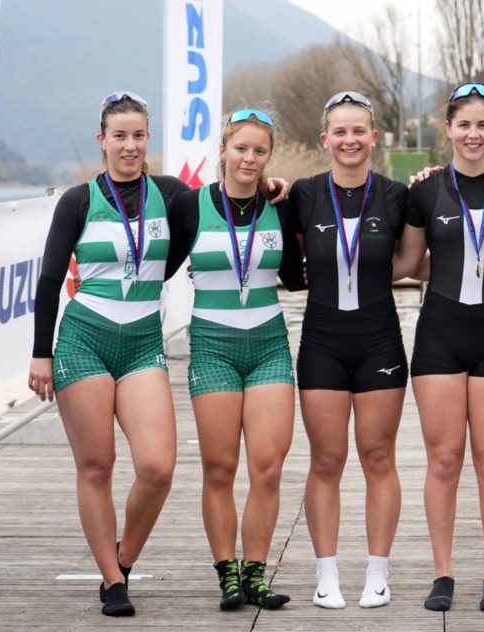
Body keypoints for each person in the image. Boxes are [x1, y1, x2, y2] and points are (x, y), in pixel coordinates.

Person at [27, 92, 188, 617]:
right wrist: (41, 354)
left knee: (158, 467)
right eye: (119, 136)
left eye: (138, 135)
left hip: (142, 343)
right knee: (97, 465)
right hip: (84, 341)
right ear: (102, 141)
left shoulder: (171, 194)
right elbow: (49, 281)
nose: (130, 146)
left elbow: (223, 202)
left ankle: (124, 557)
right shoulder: (77, 200)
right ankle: (112, 581)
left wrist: (274, 189)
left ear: (148, 138)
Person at [396, 82, 484, 612]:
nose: (473, 134)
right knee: (445, 459)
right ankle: (443, 573)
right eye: (464, 125)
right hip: (440, 334)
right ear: (448, 129)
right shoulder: (425, 191)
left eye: (483, 125)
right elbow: (409, 265)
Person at [170, 108, 304, 611]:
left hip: (268, 345)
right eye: (241, 148)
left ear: (269, 156)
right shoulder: (191, 206)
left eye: (259, 150)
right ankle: (227, 573)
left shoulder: (280, 205)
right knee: (220, 469)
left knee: (267, 468)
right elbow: (155, 266)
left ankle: (256, 574)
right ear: (223, 150)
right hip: (213, 346)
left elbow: (296, 277)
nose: (249, 158)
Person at [287, 91, 409, 609]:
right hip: (322, 341)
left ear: (373, 138)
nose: (350, 140)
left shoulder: (397, 195)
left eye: (359, 131)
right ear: (325, 139)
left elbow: (414, 260)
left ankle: (378, 574)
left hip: (380, 338)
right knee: (327, 460)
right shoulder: (302, 193)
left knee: (378, 457)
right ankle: (327, 576)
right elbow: (287, 260)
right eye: (340, 131)